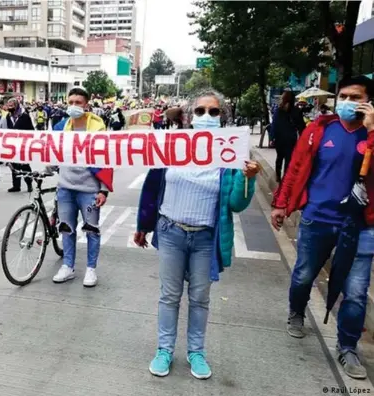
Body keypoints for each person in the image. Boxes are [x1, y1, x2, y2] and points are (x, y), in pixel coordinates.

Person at [136, 90, 259, 380]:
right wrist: (143, 225)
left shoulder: (231, 153)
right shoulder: (171, 146)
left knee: (200, 298)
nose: (206, 116)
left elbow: (235, 204)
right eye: (200, 111)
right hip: (170, 233)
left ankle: (196, 352)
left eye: (214, 112)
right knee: (169, 296)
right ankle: (164, 350)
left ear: (223, 117)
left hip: (205, 238)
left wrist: (247, 180)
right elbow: (153, 187)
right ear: (189, 117)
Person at [271, 76, 374, 380]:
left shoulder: (371, 134)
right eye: (343, 96)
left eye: (355, 97)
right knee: (303, 274)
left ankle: (348, 347)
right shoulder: (320, 130)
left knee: (355, 293)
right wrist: (281, 203)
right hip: (318, 218)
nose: (347, 102)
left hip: (361, 226)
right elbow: (297, 168)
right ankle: (297, 311)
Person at [48, 87, 110, 288]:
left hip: (89, 190)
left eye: (78, 102)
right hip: (65, 188)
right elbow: (52, 152)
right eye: (71, 101)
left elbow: (106, 159)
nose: (74, 106)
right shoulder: (60, 127)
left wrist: (103, 189)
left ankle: (91, 269)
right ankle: (68, 266)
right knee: (66, 229)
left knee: (92, 230)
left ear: (87, 104)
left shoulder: (98, 129)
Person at [271, 91, 306, 182]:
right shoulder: (296, 111)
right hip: (291, 138)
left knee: (279, 157)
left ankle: (278, 176)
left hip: (279, 138)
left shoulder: (278, 110)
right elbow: (301, 126)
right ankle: (285, 177)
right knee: (288, 158)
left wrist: (272, 138)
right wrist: (303, 139)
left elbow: (274, 125)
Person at [5, 98, 34, 192]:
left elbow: (31, 130)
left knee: (24, 165)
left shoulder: (24, 116)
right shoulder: (8, 117)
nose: (10, 108)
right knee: (14, 166)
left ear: (16, 105)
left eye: (12, 106)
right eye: (9, 106)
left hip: (23, 145)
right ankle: (16, 185)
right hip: (12, 145)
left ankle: (29, 183)